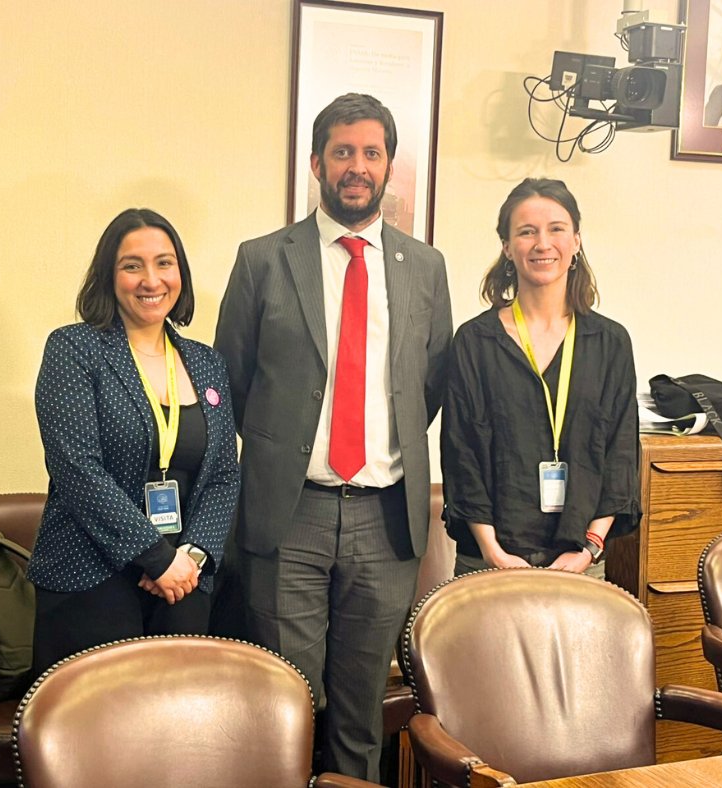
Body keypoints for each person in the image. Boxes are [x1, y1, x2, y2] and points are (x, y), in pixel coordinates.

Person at [214, 93, 451, 780]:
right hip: (291, 515)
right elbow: (229, 382)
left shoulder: (424, 267)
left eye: (371, 153)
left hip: (386, 519)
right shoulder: (262, 261)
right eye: (343, 152)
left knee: (360, 712)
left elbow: (428, 385)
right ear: (316, 162)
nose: (357, 167)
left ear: (388, 167)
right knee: (286, 705)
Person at [29, 208, 240, 675]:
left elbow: (225, 474)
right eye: (133, 265)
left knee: (177, 734)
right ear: (110, 275)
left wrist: (192, 557)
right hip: (92, 575)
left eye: (164, 263)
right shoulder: (74, 349)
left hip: (184, 582)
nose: (151, 280)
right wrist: (155, 557)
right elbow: (77, 469)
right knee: (95, 738)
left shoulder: (207, 364)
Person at [442, 178, 640, 580]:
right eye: (526, 231)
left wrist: (590, 548)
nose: (542, 243)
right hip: (488, 562)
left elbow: (620, 455)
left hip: (578, 561)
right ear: (507, 247)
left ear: (577, 241)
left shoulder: (610, 342)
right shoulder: (474, 342)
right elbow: (461, 454)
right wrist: (492, 550)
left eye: (556, 229)